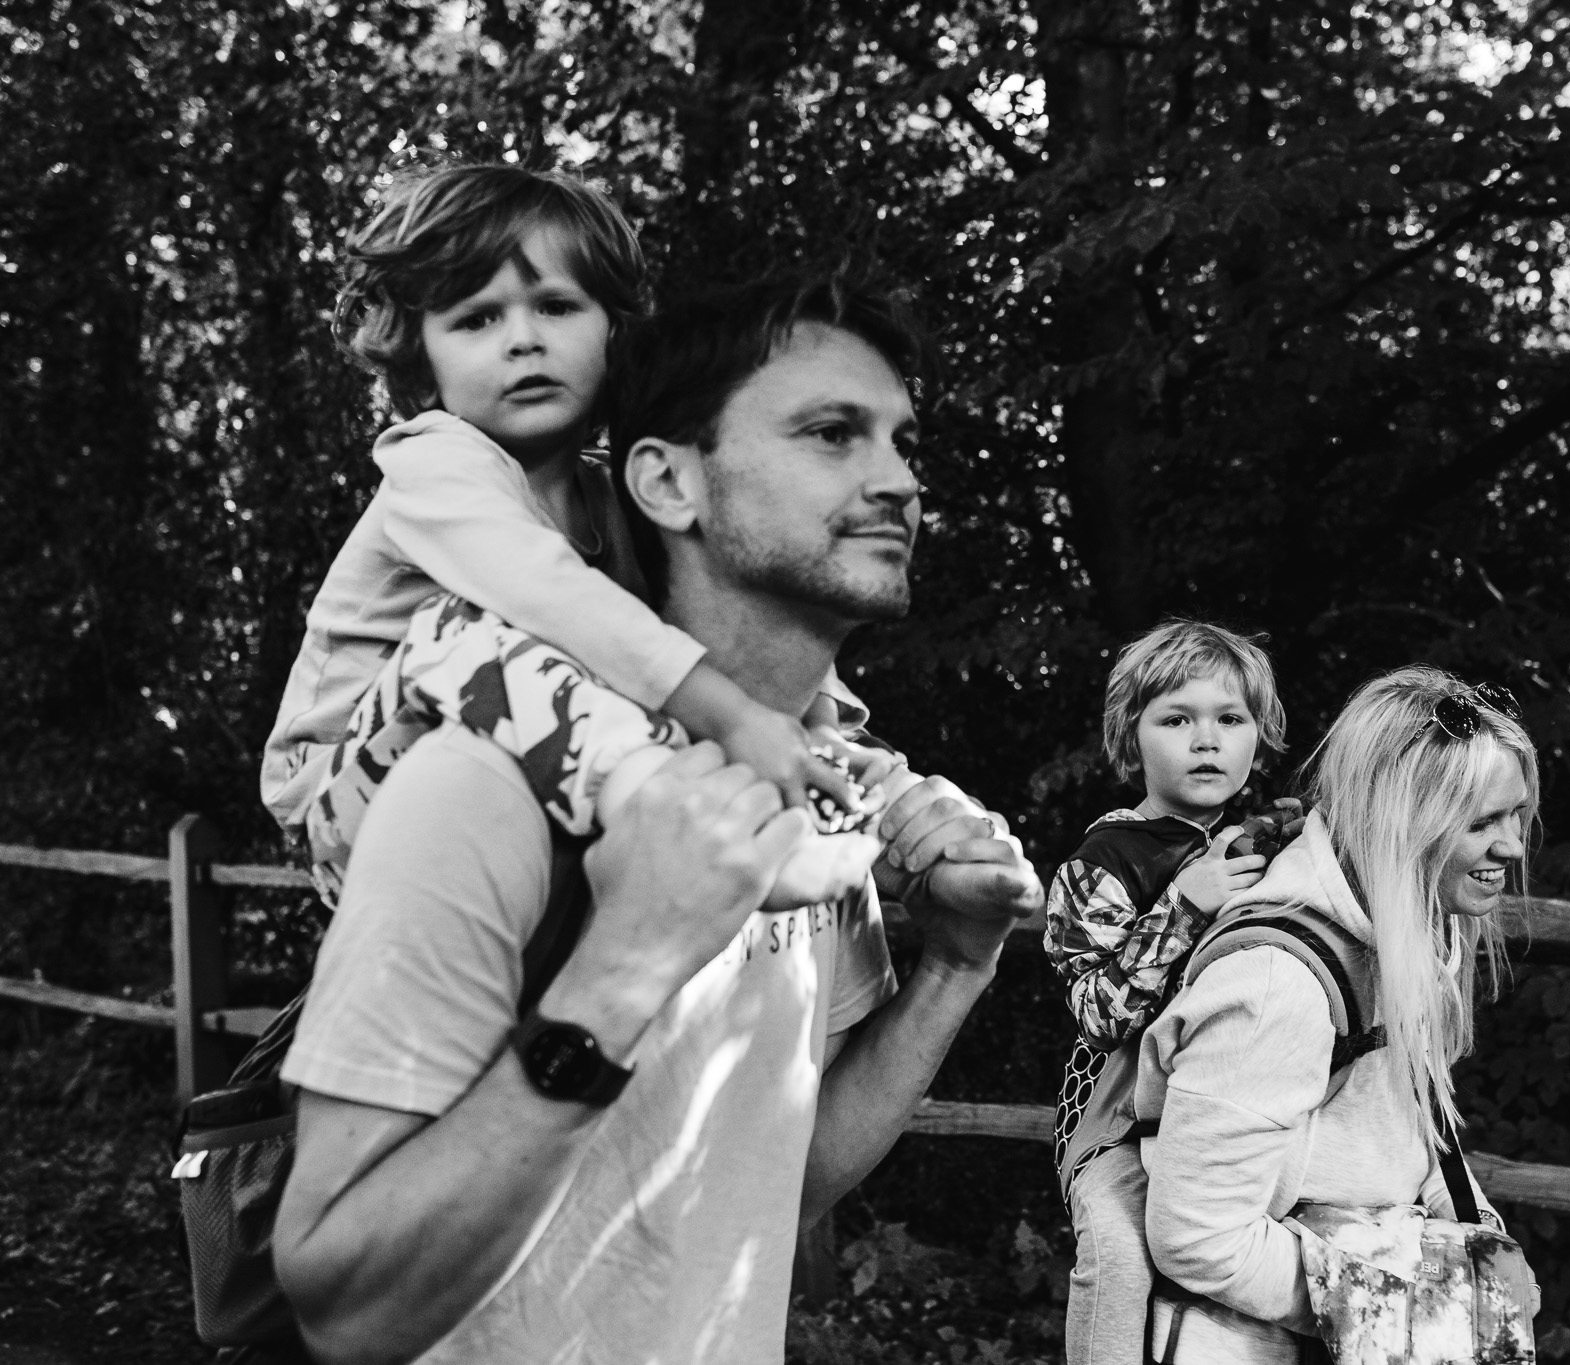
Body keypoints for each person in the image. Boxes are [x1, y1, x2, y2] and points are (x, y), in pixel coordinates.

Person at [269, 271, 1044, 1364]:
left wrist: (957, 967)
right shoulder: (483, 786)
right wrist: (626, 960)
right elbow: (342, 1303)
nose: (899, 482)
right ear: (667, 484)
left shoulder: (809, 788)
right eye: (832, 434)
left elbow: (779, 1171)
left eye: (901, 442)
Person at [259, 163, 863, 901]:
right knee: (467, 630)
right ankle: (696, 829)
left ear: (614, 327)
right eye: (477, 319)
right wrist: (732, 717)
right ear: (424, 361)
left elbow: (734, 582)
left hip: (519, 776)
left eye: (555, 306)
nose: (523, 341)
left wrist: (815, 721)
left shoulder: (615, 489)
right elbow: (546, 592)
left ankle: (839, 812)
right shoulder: (436, 461)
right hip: (345, 782)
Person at [1132, 666, 1535, 1362]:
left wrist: (1485, 1248)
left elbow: (1408, 1130)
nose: (1514, 846)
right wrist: (1409, 1296)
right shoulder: (1273, 986)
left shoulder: (1409, 929)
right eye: (1483, 822)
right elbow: (1195, 1235)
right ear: (1408, 822)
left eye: (1517, 814)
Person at [1043, 619, 1288, 1365]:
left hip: (1235, 1102)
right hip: (1119, 1119)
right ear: (1131, 738)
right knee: (1119, 1253)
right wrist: (1184, 904)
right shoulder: (1102, 861)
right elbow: (1097, 1012)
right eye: (1177, 719)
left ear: (1258, 736)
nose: (1205, 740)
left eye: (1229, 719)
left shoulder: (1273, 845)